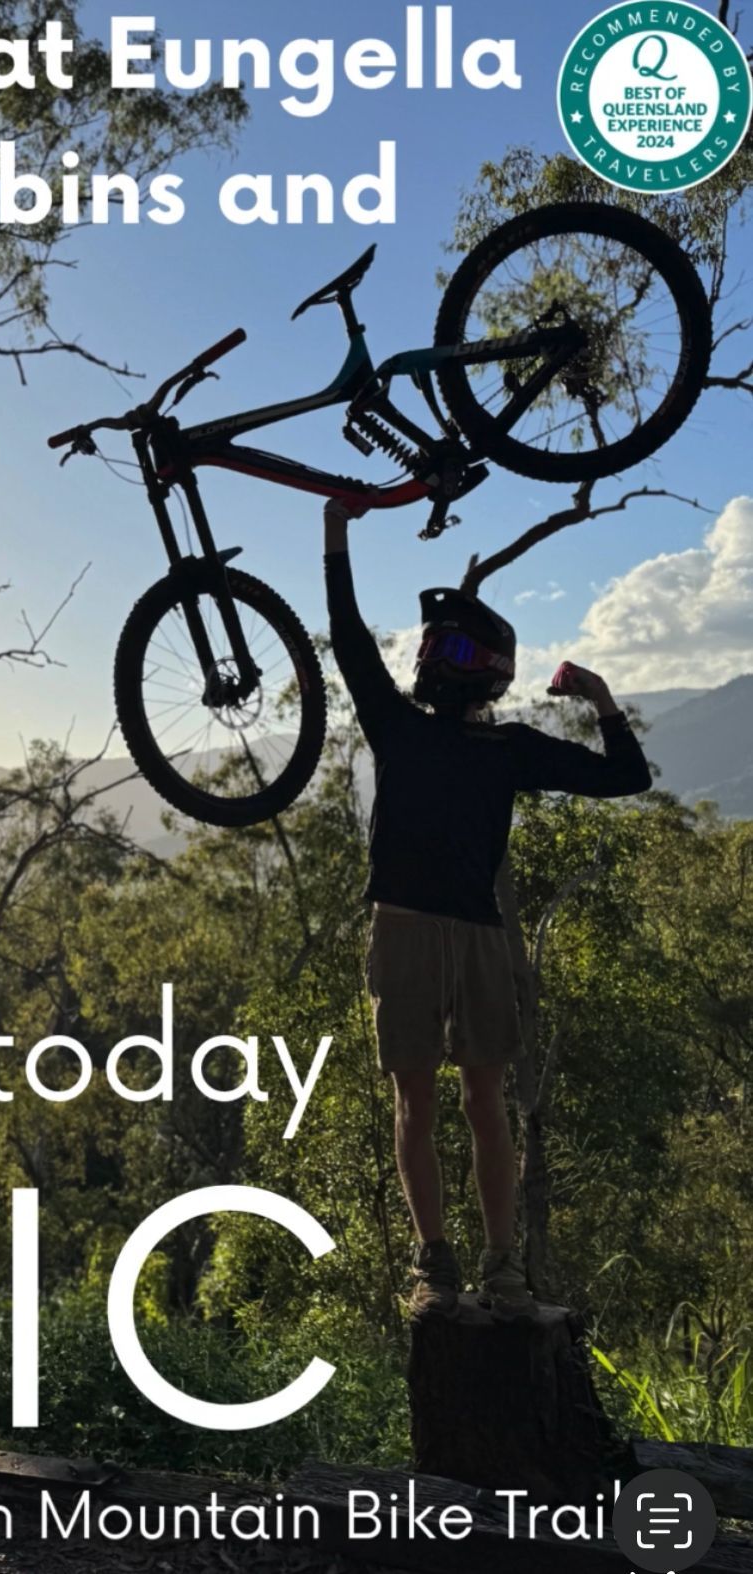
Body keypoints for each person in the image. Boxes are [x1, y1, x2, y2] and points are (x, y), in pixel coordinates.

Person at [323, 497, 651, 1320]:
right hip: (406, 928)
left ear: (490, 667)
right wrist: (335, 536)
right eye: (437, 644)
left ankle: (501, 1267)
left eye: (458, 647)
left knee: (482, 1104)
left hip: (472, 935)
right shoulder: (399, 726)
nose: (441, 658)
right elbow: (349, 639)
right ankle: (435, 1264)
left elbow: (626, 779)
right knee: (418, 1103)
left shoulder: (506, 748)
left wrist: (602, 697)